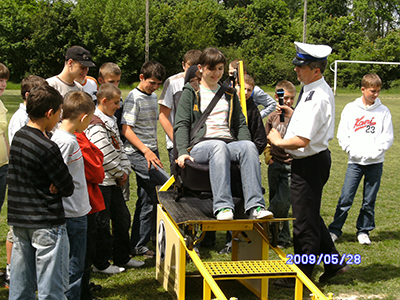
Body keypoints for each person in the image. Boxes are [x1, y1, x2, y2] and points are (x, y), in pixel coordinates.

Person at [267, 42, 350, 286]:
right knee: (310, 214)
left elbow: (303, 139)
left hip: (310, 163)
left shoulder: (317, 96)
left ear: (316, 70)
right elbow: (310, 123)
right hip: (312, 161)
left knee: (303, 223)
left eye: (301, 67)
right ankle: (334, 263)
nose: (296, 71)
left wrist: (277, 141)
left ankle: (301, 275)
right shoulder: (312, 88)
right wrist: (294, 115)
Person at [174, 47, 273, 221]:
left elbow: (241, 124)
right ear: (201, 68)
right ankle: (223, 207)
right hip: (200, 145)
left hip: (228, 142)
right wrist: (182, 151)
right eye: (212, 68)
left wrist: (248, 151)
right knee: (217, 146)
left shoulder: (229, 93)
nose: (216, 73)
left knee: (249, 146)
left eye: (220, 69)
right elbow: (181, 124)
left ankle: (255, 206)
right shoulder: (190, 92)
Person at [7, 85, 74, 299]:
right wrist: (54, 182)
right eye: (59, 113)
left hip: (20, 221)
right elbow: (67, 186)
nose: (60, 118)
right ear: (49, 113)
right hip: (46, 223)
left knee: (21, 284)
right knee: (51, 288)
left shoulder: (18, 136)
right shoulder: (47, 146)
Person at [85, 83, 144, 274]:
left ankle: (122, 256)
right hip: (103, 182)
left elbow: (119, 149)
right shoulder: (95, 122)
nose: (118, 106)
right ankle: (101, 263)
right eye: (116, 102)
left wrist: (125, 169)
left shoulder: (109, 119)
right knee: (102, 224)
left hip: (114, 180)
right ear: (104, 101)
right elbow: (104, 154)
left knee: (122, 219)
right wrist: (120, 173)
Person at [328, 74, 393, 245]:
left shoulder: (383, 111)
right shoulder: (351, 108)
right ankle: (335, 230)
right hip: (355, 163)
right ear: (363, 89)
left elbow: (388, 137)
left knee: (369, 200)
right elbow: (343, 133)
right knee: (345, 198)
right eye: (373, 91)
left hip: (375, 163)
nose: (376, 94)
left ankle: (364, 231)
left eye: (378, 91)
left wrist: (376, 152)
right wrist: (350, 149)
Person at [121, 61, 170, 257]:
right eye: (152, 83)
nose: (155, 87)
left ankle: (139, 245)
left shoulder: (153, 97)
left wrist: (154, 150)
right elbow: (126, 129)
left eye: (159, 83)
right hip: (137, 153)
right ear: (141, 77)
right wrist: (146, 151)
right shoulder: (134, 97)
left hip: (151, 151)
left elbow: (150, 127)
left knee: (148, 198)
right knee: (166, 184)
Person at [51, 91, 95, 300]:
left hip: (76, 210)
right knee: (74, 267)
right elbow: (54, 176)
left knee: (74, 265)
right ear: (83, 117)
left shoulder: (63, 137)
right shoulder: (66, 141)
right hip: (72, 213)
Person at [5, 74, 48, 288]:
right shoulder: (21, 119)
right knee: (16, 232)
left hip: (30, 183)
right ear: (30, 96)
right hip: (24, 183)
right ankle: (12, 271)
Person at [75, 106, 106, 300]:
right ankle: (81, 293)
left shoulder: (78, 136)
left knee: (84, 251)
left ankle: (83, 288)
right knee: (83, 253)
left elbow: (98, 155)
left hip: (87, 201)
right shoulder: (77, 138)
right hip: (85, 203)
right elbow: (97, 171)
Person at [264, 80, 296, 249]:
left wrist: (291, 113)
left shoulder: (297, 116)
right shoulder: (272, 117)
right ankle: (281, 238)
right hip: (275, 163)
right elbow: (266, 139)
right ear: (277, 97)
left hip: (292, 164)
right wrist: (268, 157)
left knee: (283, 202)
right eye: (286, 98)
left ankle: (264, 223)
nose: (289, 102)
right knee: (276, 198)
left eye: (292, 98)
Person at [158, 49, 202, 168]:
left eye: (197, 68)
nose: (193, 71)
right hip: (176, 144)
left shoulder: (206, 83)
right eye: (189, 67)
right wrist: (177, 141)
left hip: (200, 143)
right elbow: (162, 116)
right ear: (183, 65)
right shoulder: (172, 82)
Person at [0, 63, 9, 214]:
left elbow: (3, 134)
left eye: (5, 80)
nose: (3, 84)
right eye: (0, 80)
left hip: (3, 165)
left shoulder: (0, 103)